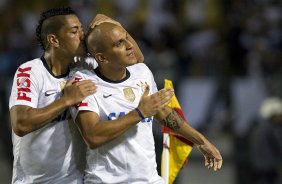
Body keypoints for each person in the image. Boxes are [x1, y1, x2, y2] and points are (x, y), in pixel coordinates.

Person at [70, 22, 223, 183]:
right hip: (106, 180)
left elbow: (162, 112)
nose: (129, 46)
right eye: (119, 43)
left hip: (149, 179)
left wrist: (201, 141)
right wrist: (139, 113)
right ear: (102, 57)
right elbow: (92, 136)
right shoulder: (84, 82)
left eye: (126, 39)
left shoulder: (141, 72)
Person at [9, 7, 98, 183]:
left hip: (75, 179)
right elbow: (20, 123)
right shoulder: (30, 72)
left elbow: (137, 61)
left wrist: (114, 24)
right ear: (54, 40)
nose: (83, 35)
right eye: (74, 31)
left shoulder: (85, 68)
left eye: (82, 29)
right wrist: (66, 100)